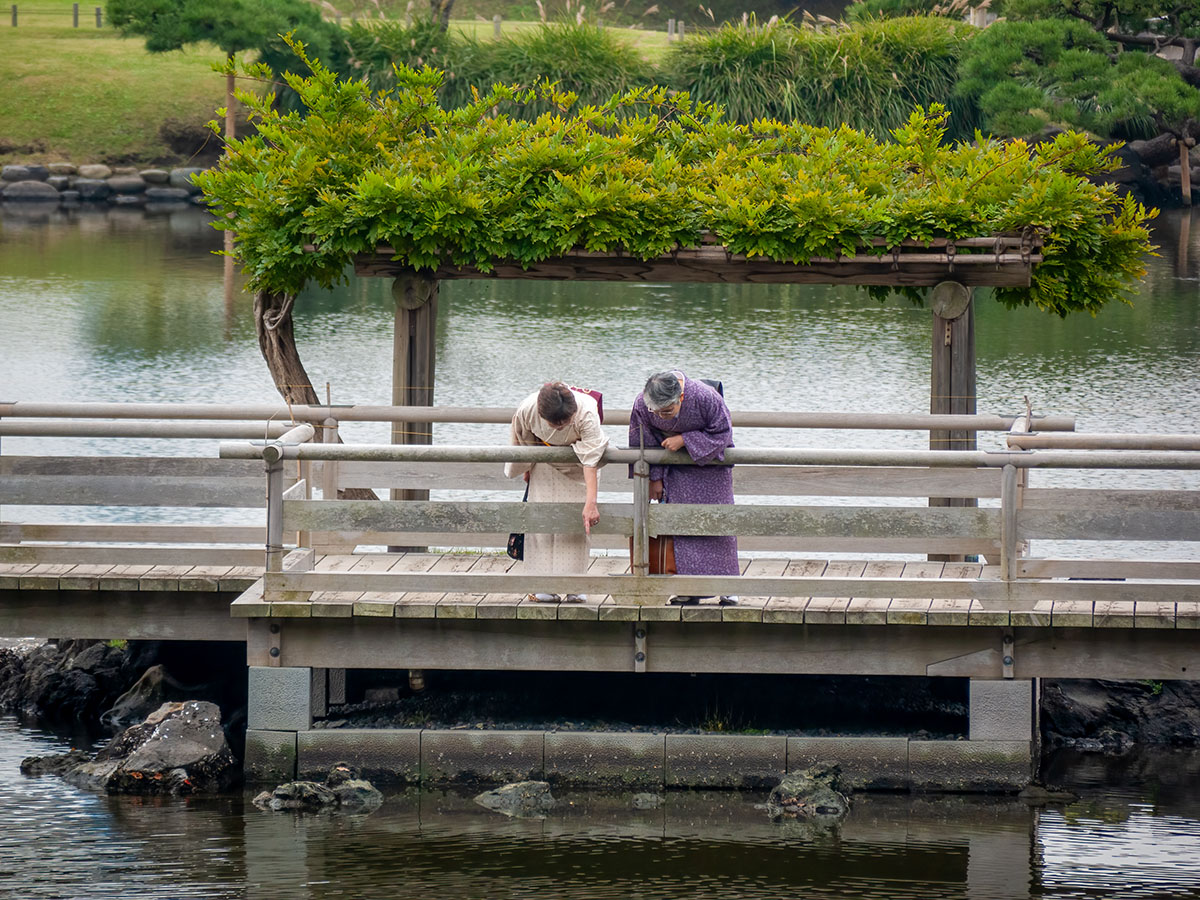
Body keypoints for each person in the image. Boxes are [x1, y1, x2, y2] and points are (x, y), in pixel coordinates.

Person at [628, 371, 739, 605]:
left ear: (680, 397)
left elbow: (723, 433)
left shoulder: (705, 397)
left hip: (710, 470)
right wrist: (653, 479)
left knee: (717, 523)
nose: (661, 416)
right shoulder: (642, 403)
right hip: (673, 469)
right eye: (655, 411)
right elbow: (641, 440)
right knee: (680, 526)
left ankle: (728, 586)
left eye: (666, 411)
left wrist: (685, 440)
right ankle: (688, 588)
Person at [506, 382, 609, 603]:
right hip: (544, 462)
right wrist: (527, 467)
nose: (561, 425)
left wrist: (591, 503)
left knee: (576, 525)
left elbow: (591, 459)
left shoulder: (587, 412)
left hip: (581, 465)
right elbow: (523, 440)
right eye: (555, 422)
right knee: (541, 522)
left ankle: (575, 586)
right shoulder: (527, 408)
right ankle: (542, 585)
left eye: (566, 420)